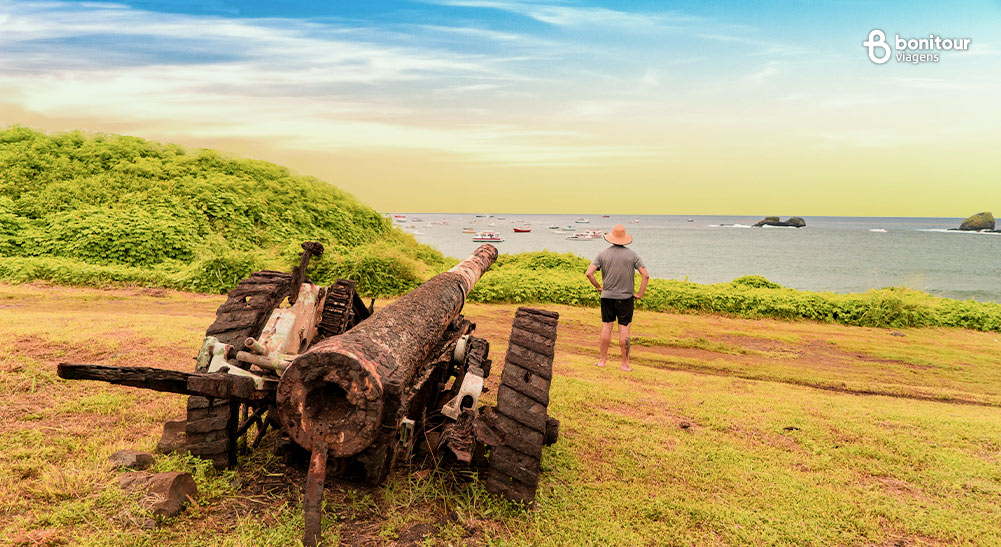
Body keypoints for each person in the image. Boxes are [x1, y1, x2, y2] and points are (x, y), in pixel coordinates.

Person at [585, 224, 649, 372]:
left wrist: (598, 287)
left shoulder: (602, 254)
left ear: (611, 238)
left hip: (607, 297)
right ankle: (625, 364)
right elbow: (645, 275)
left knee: (606, 327)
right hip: (626, 298)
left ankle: (602, 361)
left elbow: (589, 273)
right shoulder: (633, 255)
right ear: (625, 239)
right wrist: (640, 294)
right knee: (624, 329)